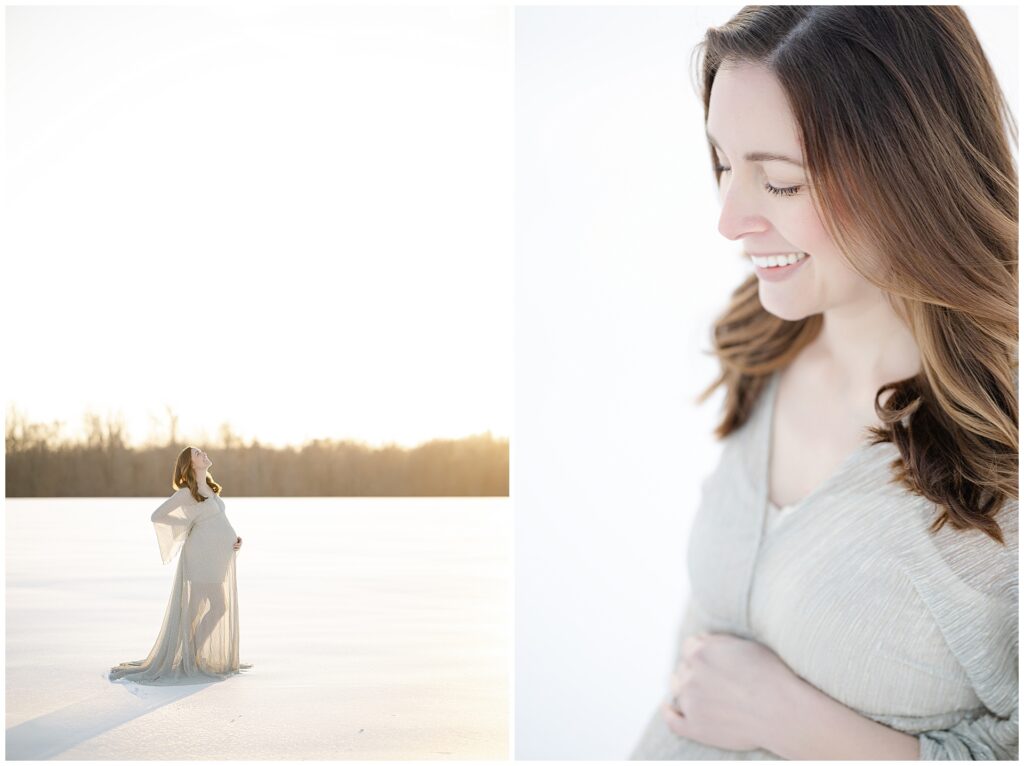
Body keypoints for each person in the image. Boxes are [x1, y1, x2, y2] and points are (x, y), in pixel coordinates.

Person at [630, 6, 1017, 760]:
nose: (730, 218)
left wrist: (805, 731)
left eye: (778, 183)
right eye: (722, 164)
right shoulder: (762, 344)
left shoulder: (1003, 456)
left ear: (909, 175)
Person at [110, 446, 249, 684]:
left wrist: (233, 541)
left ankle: (187, 655)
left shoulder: (209, 489)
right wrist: (185, 524)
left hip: (215, 557)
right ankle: (189, 656)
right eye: (197, 454)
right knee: (216, 606)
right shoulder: (186, 493)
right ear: (190, 464)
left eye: (202, 451)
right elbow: (157, 516)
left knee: (197, 609)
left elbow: (218, 521)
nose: (203, 454)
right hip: (201, 557)